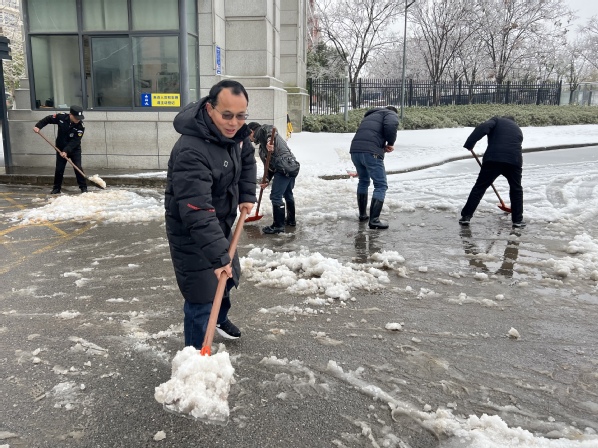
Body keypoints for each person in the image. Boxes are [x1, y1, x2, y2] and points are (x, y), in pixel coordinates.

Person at [164, 80, 257, 349]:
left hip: (220, 223)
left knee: (226, 279)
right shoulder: (191, 150)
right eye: (227, 115)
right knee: (202, 295)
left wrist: (246, 195)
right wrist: (218, 256)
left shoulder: (235, 136)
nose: (234, 123)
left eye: (241, 116)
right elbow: (197, 210)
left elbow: (247, 159)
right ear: (209, 109)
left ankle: (220, 318)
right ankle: (195, 355)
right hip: (192, 230)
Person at [459, 116, 525, 228]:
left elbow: (483, 127)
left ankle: (466, 217)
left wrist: (470, 143)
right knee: (516, 189)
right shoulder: (518, 128)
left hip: (494, 159)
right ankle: (517, 220)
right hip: (514, 161)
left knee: (480, 187)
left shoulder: (497, 120)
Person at [349, 105, 399, 230]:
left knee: (363, 181)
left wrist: (381, 147)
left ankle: (362, 215)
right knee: (381, 185)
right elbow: (391, 125)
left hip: (355, 151)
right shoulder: (390, 114)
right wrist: (390, 143)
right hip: (371, 153)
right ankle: (374, 220)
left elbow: (370, 136)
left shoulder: (370, 116)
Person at [247, 121, 300, 234]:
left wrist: (268, 142)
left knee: (276, 197)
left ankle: (278, 226)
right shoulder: (262, 150)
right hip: (291, 166)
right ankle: (291, 221)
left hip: (284, 168)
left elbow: (270, 129)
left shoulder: (262, 131)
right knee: (288, 194)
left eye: (248, 135)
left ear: (251, 131)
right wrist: (266, 180)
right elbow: (269, 167)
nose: (250, 139)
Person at [33, 105, 87, 194]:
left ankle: (83, 188)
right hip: (60, 148)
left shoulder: (81, 126)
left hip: (74, 150)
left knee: (78, 168)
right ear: (70, 114)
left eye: (79, 118)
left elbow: (75, 141)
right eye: (76, 117)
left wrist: (66, 151)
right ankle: (56, 188)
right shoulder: (61, 117)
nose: (78, 119)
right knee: (59, 169)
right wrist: (38, 126)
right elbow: (48, 119)